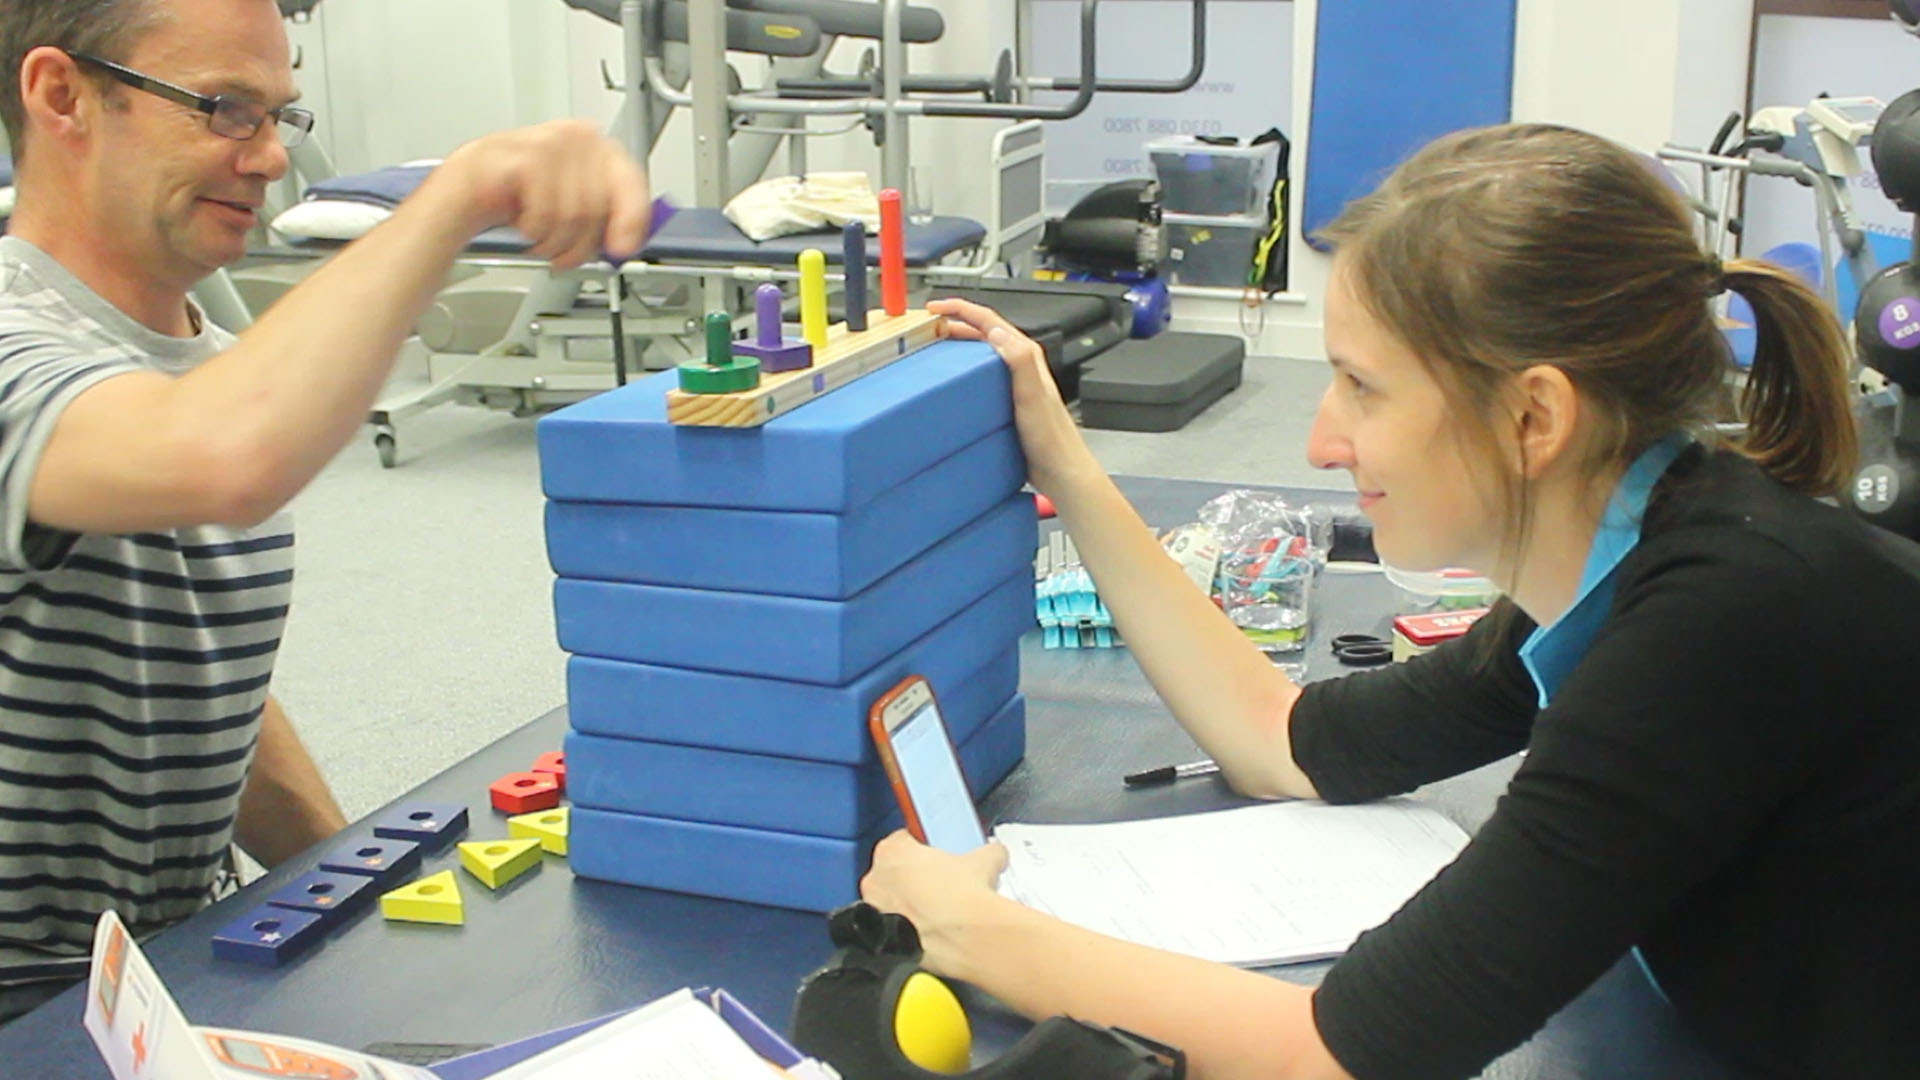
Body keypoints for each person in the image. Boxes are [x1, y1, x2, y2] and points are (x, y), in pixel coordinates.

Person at [865, 123, 1920, 1079]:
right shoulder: (1642, 549)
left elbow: (1335, 1057)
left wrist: (979, 936)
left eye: (1362, 387)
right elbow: (1284, 739)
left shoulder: (1714, 628)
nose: (1323, 440)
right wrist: (1069, 461)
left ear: (1533, 417)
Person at [0, 0, 650, 1020]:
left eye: (276, 117)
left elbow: (202, 680)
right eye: (225, 109)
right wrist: (458, 197)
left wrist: (357, 892)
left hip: (158, 962)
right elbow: (219, 455)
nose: (266, 159)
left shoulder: (214, 359)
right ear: (61, 96)